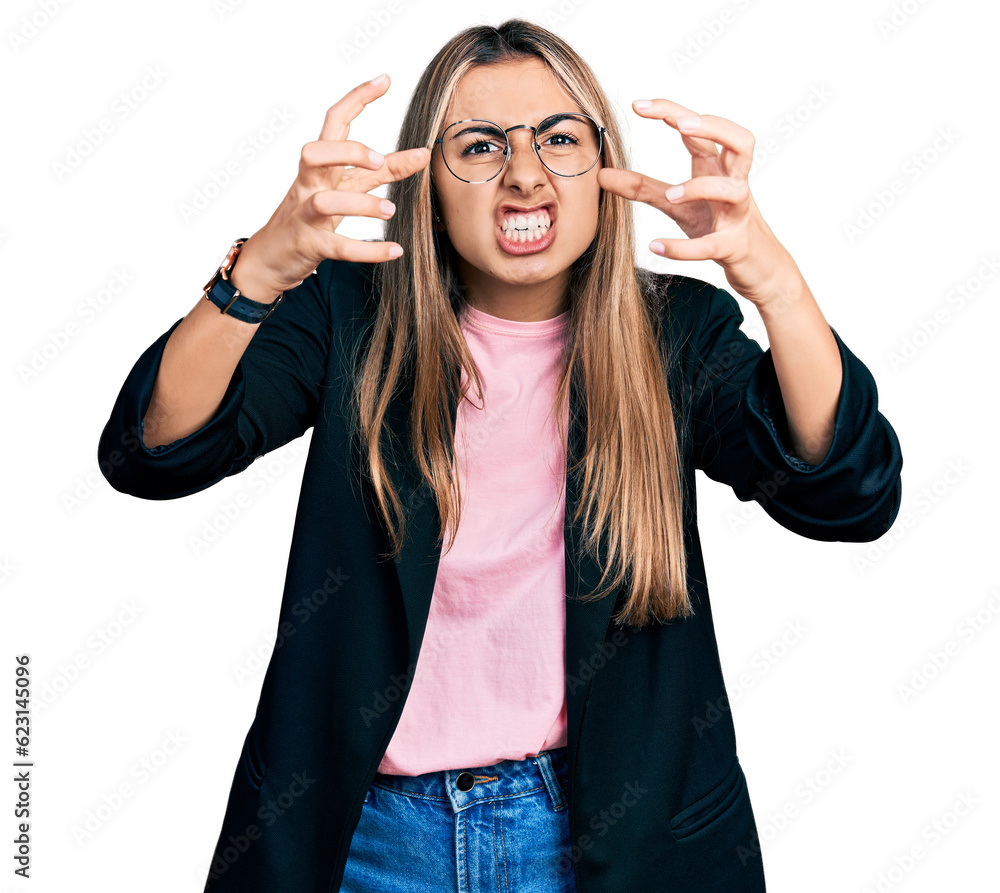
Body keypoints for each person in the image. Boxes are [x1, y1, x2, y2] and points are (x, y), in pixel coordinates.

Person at [96, 17, 903, 893]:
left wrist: (773, 279)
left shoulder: (674, 334)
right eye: (480, 145)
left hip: (613, 845)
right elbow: (154, 452)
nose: (525, 173)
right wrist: (258, 272)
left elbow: (847, 494)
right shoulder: (345, 315)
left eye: (560, 140)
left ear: (604, 170)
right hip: (368, 845)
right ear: (427, 184)